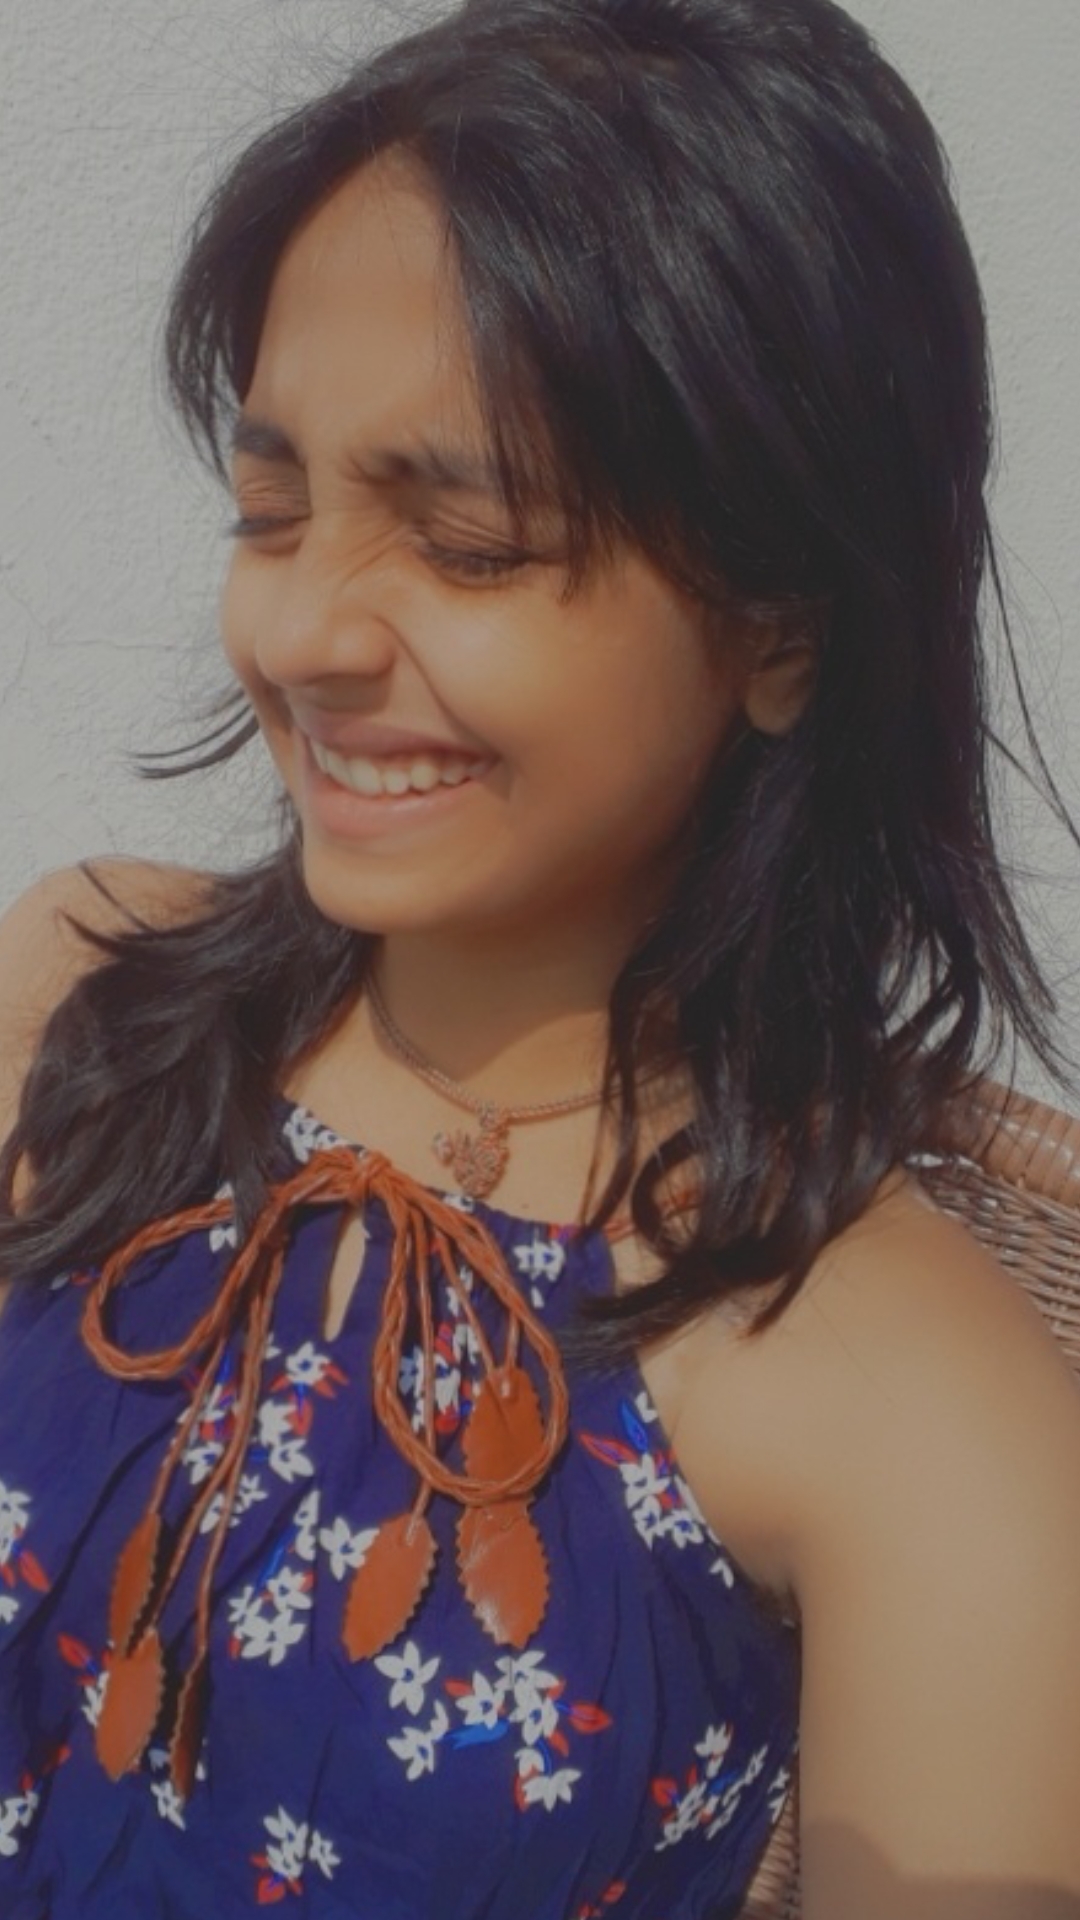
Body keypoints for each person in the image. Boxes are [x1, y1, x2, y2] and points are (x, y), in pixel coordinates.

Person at [0, 0, 1078, 1913]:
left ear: (783, 625)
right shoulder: (86, 990)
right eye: (274, 509)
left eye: (472, 545)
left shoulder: (912, 1406)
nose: (307, 633)